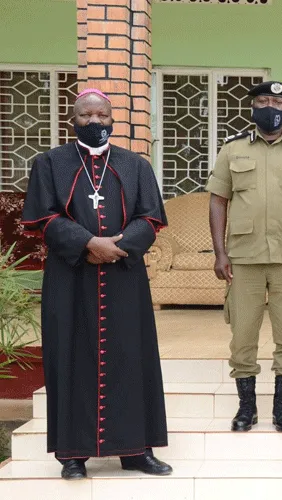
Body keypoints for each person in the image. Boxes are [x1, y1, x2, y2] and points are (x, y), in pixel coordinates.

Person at [21, 88, 172, 480]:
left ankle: (137, 450)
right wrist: (87, 243)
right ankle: (72, 454)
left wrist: (115, 248)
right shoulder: (50, 163)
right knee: (69, 359)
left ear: (112, 119)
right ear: (74, 119)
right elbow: (42, 218)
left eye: (102, 116)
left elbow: (151, 217)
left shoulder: (135, 165)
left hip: (124, 279)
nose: (95, 122)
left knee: (131, 358)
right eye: (87, 116)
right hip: (69, 279)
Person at [206, 81, 282, 434]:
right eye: (262, 101)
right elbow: (218, 199)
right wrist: (219, 251)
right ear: (253, 107)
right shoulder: (232, 150)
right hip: (243, 257)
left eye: (276, 101)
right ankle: (247, 408)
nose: (269, 107)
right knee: (242, 334)